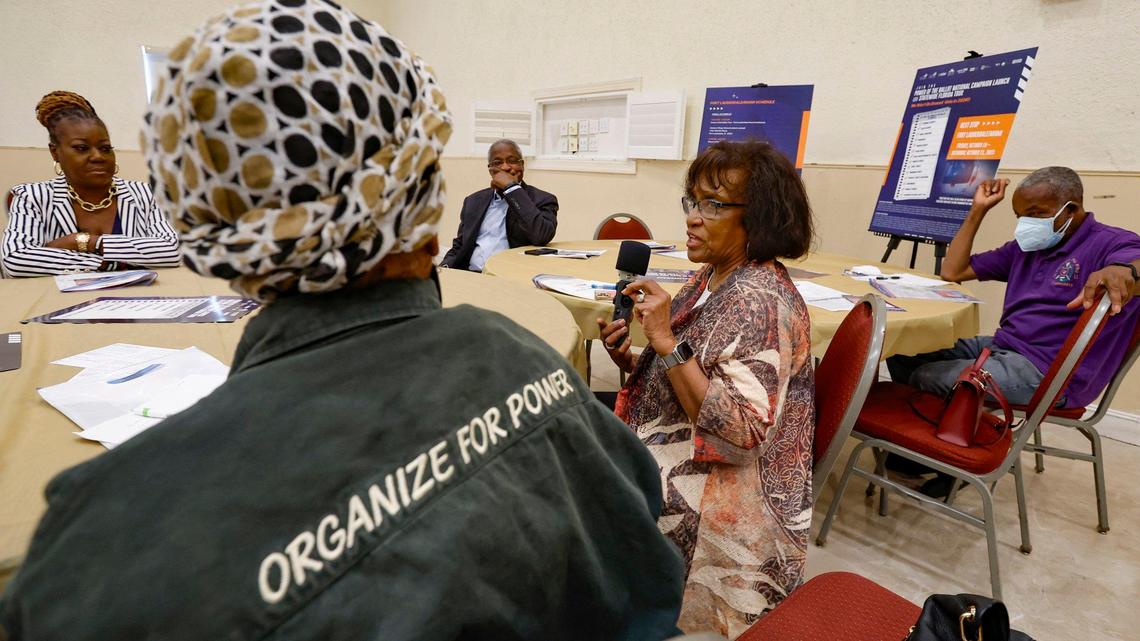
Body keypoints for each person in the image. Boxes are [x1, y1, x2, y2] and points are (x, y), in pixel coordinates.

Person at [0, 3, 684, 640]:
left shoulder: (95, 538)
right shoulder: (522, 356)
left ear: (220, 237)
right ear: (424, 208)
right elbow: (635, 509)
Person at [597, 141, 816, 637]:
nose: (693, 217)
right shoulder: (713, 276)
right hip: (677, 442)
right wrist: (635, 360)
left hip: (722, 497)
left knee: (571, 476)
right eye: (693, 201)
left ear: (758, 218)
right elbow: (700, 371)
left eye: (713, 205)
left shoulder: (760, 302)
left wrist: (664, 342)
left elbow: (742, 433)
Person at [888, 167, 1140, 497]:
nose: (1027, 224)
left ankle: (957, 459)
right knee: (903, 349)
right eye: (1021, 216)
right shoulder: (1027, 248)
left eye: (1036, 213)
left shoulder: (1110, 242)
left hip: (1052, 372)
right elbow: (953, 270)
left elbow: (1133, 264)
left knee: (929, 376)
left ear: (1072, 209)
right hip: (1004, 346)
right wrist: (978, 210)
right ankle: (936, 442)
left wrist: (1123, 271)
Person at [1, 91, 179, 277]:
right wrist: (107, 265)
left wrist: (84, 242)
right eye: (81, 148)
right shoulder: (31, 197)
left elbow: (175, 249)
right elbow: (15, 258)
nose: (98, 156)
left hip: (141, 294)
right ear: (55, 152)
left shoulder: (146, 193)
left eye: (105, 148)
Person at [440, 139, 557, 271]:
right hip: (471, 274)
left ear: (522, 165)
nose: (505, 167)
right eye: (497, 163)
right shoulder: (473, 201)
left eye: (512, 161)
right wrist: (443, 270)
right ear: (490, 169)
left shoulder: (543, 199)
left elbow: (541, 235)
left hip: (509, 276)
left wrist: (511, 189)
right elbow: (461, 245)